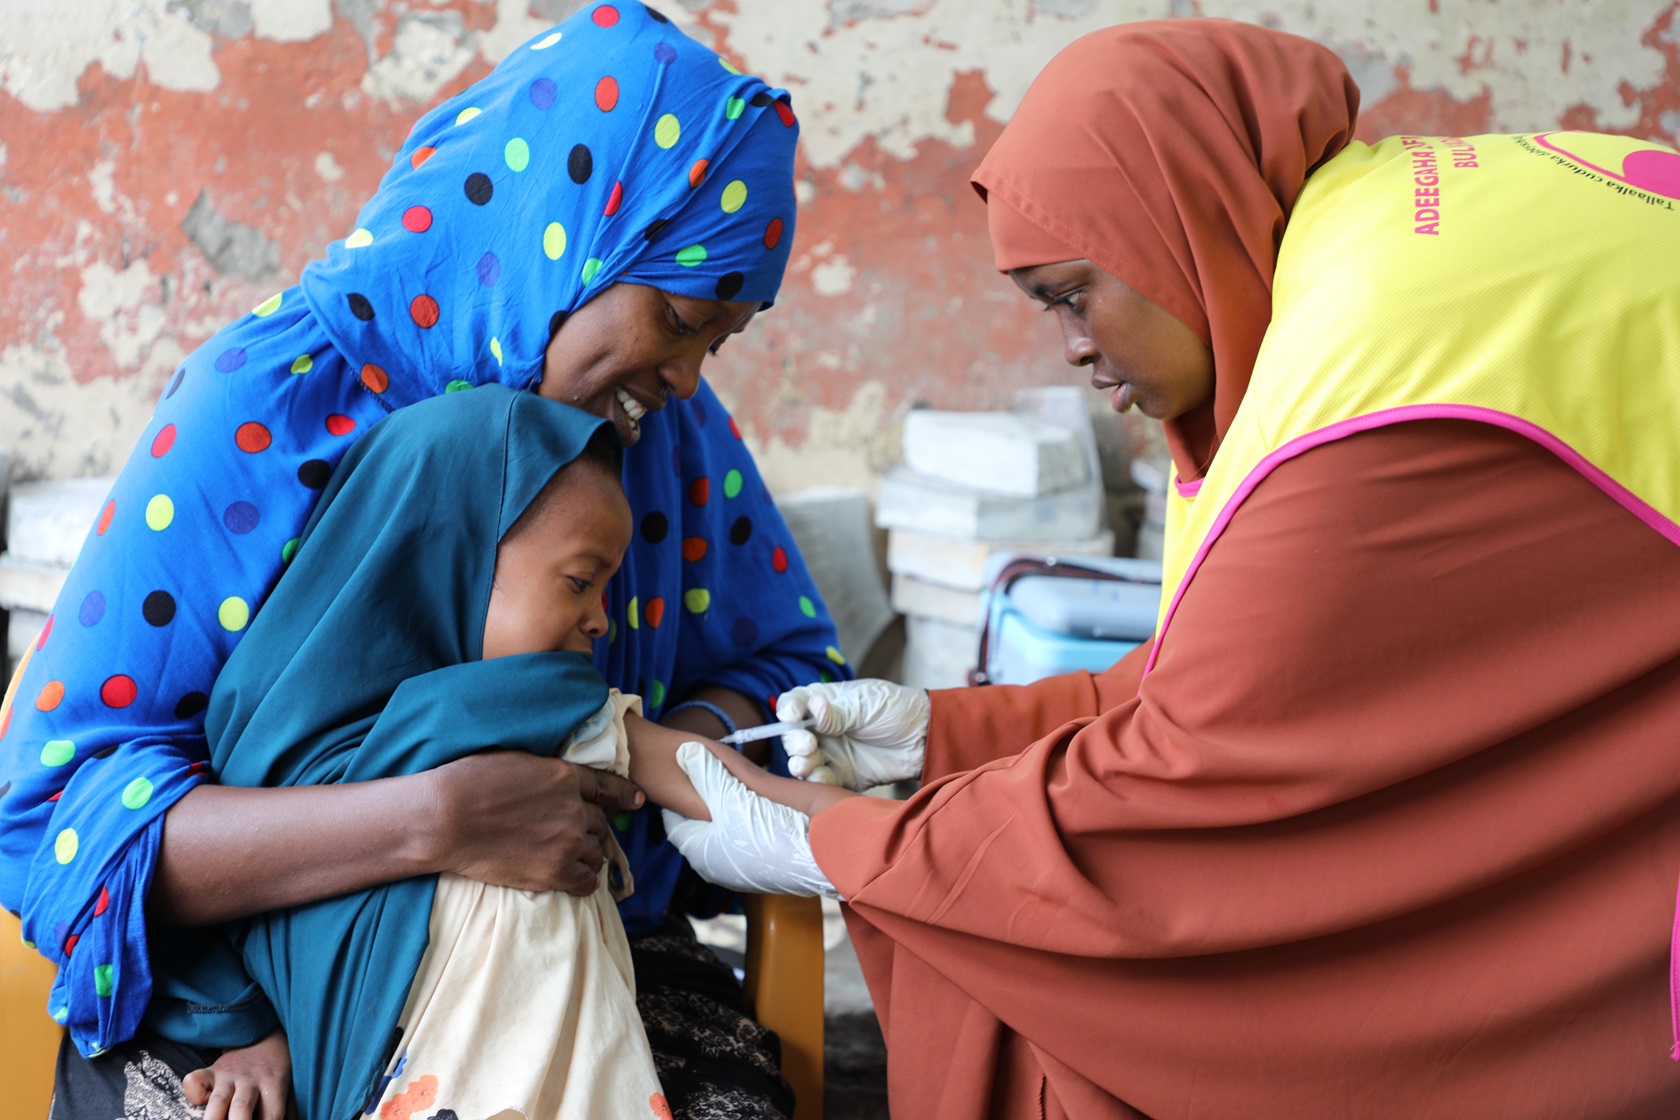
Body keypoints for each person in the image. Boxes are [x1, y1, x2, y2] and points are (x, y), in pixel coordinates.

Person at [663, 19, 1680, 1119]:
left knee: (1055, 971)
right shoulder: (1384, 238)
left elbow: (1172, 801)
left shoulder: (1369, 387)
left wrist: (830, 842)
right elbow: (1235, 686)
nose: (1073, 348)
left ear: (1172, 222)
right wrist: (941, 733)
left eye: (1070, 293)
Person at [0, 6, 847, 1118]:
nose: (688, 376)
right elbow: (59, 812)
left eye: (718, 341)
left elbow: (787, 662)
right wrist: (434, 821)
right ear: (574, 221)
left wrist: (636, 763)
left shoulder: (661, 436)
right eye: (680, 316)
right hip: (249, 992)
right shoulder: (262, 409)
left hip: (573, 956)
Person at [152, 385, 852, 1120]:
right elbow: (240, 910)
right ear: (452, 556)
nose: (600, 622)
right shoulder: (272, 721)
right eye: (581, 583)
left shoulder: (554, 703)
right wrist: (263, 1035)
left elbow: (712, 779)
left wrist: (880, 834)